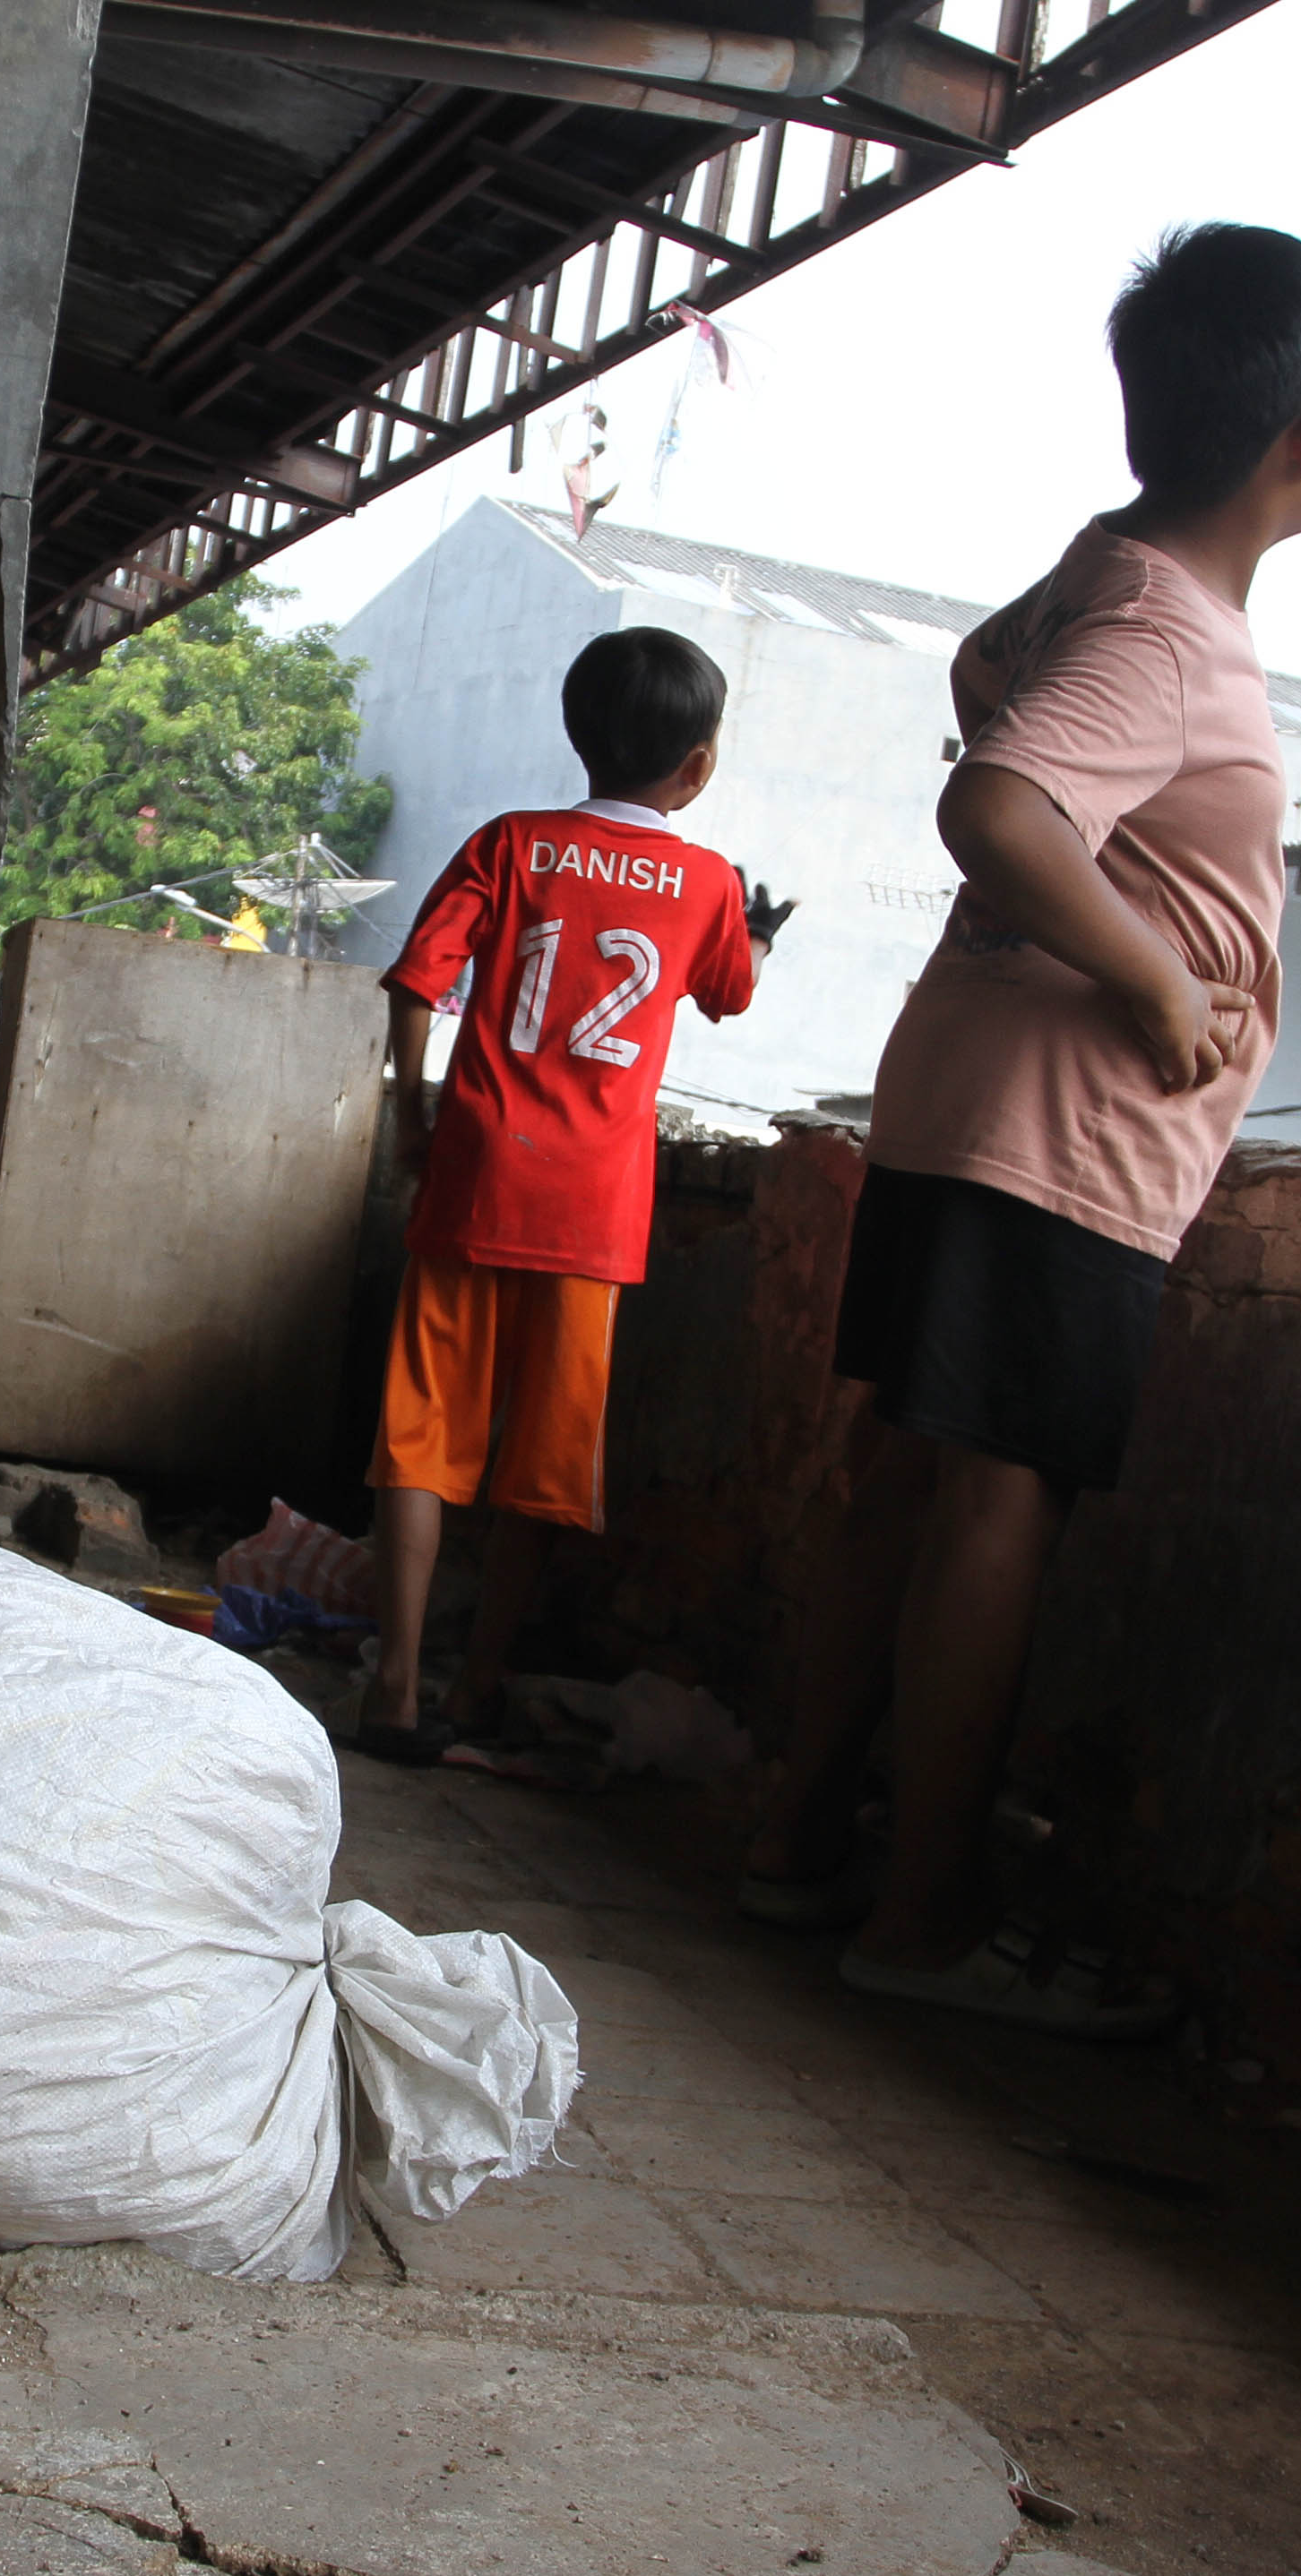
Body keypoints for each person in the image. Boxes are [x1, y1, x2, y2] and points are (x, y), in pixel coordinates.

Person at [731, 222, 1301, 2025]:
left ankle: (796, 1846)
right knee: (998, 1503)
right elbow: (1002, 798)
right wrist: (1160, 984)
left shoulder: (1112, 570)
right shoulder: (1174, 634)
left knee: (901, 1475)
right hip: (1068, 1128)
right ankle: (921, 1919)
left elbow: (983, 682)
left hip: (968, 1087)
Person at [348, 627, 781, 1765]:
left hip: (479, 1173)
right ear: (698, 766)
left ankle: (393, 1689)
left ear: (579, 735)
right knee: (542, 1465)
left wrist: (410, 1112)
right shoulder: (708, 882)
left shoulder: (514, 843)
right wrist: (761, 941)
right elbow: (731, 992)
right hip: (594, 1213)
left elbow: (418, 985)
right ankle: (479, 1690)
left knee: (421, 1436)